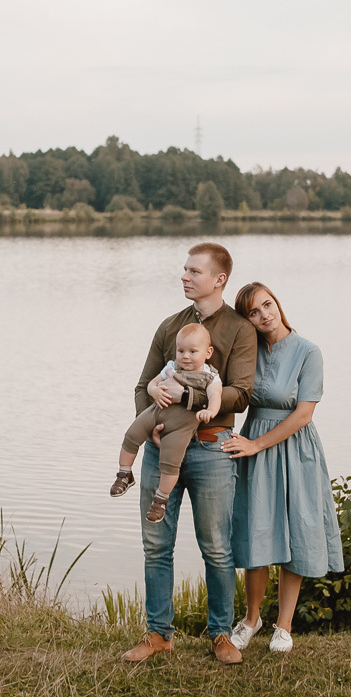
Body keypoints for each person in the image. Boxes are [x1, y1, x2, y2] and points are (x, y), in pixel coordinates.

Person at [120, 243, 257, 666]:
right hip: (161, 449)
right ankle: (159, 634)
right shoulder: (170, 327)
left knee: (216, 548)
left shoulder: (240, 330)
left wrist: (189, 396)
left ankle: (221, 634)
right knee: (156, 545)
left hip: (212, 450)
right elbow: (143, 385)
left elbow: (241, 394)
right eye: (184, 269)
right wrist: (150, 418)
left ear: (219, 279)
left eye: (194, 271)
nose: (184, 276)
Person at [222, 282, 343, 654]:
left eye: (267, 305)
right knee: (256, 533)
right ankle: (251, 619)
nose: (264, 315)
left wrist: (257, 444)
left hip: (294, 449)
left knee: (296, 533)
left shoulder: (308, 352)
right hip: (254, 449)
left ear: (277, 302)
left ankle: (284, 627)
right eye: (253, 313)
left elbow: (304, 414)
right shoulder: (249, 351)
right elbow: (226, 391)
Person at [111, 323, 222, 523]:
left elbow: (215, 396)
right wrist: (154, 391)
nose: (185, 356)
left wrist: (210, 411)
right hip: (156, 412)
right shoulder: (171, 367)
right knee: (132, 435)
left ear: (208, 353)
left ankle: (160, 499)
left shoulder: (210, 377)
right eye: (181, 351)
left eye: (192, 351)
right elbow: (151, 384)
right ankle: (124, 473)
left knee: (170, 463)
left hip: (181, 426)